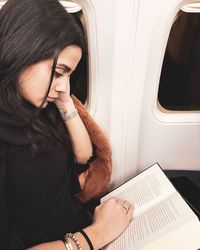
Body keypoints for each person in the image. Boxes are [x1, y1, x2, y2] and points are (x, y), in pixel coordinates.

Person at [0, 0, 134, 249]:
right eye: (59, 71)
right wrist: (98, 233)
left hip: (80, 227)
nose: (63, 85)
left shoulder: (38, 107)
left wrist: (64, 101)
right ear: (23, 49)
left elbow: (84, 157)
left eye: (69, 75)